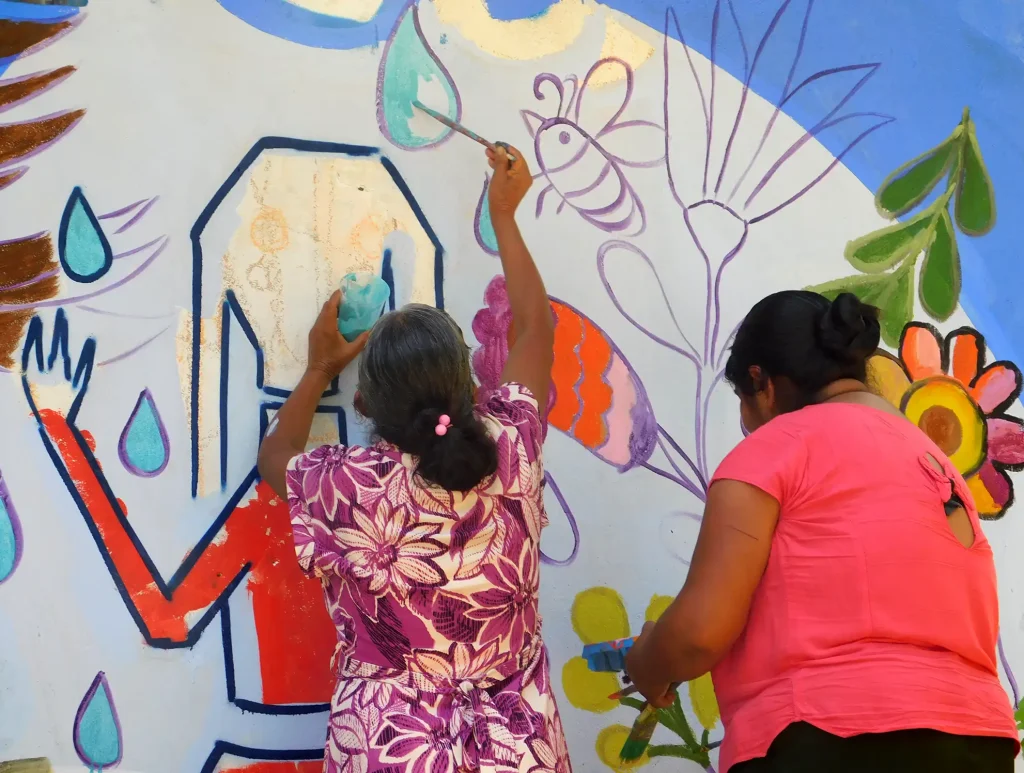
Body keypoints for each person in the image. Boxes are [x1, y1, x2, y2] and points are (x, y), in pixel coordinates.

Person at [257, 144, 570, 773]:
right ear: (469, 388)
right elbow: (536, 328)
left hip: (390, 750)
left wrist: (319, 367)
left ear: (366, 401)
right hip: (518, 750)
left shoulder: (347, 486)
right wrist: (504, 214)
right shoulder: (511, 447)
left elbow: (277, 457)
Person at [624, 290, 1019, 772]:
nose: (747, 425)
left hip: (826, 736)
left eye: (743, 404)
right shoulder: (938, 467)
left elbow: (699, 634)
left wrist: (647, 664)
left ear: (760, 381)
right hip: (976, 739)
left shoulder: (773, 449)